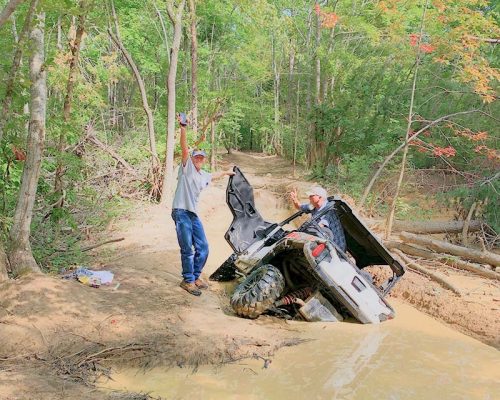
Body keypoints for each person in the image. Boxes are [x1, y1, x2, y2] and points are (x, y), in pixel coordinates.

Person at [172, 114, 234, 296]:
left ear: (204, 160)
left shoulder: (203, 174)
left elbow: (213, 176)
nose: (198, 160)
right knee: (187, 249)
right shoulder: (187, 168)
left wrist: (226, 173)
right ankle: (188, 280)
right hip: (181, 212)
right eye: (196, 157)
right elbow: (184, 148)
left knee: (204, 247)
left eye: (201, 158)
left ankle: (196, 275)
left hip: (192, 214)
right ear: (191, 159)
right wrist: (183, 128)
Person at [289, 185, 347, 252]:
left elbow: (319, 227)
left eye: (311, 196)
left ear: (319, 197)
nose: (309, 198)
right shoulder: (314, 206)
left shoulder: (329, 209)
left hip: (337, 248)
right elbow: (299, 207)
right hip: (326, 243)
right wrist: (295, 199)